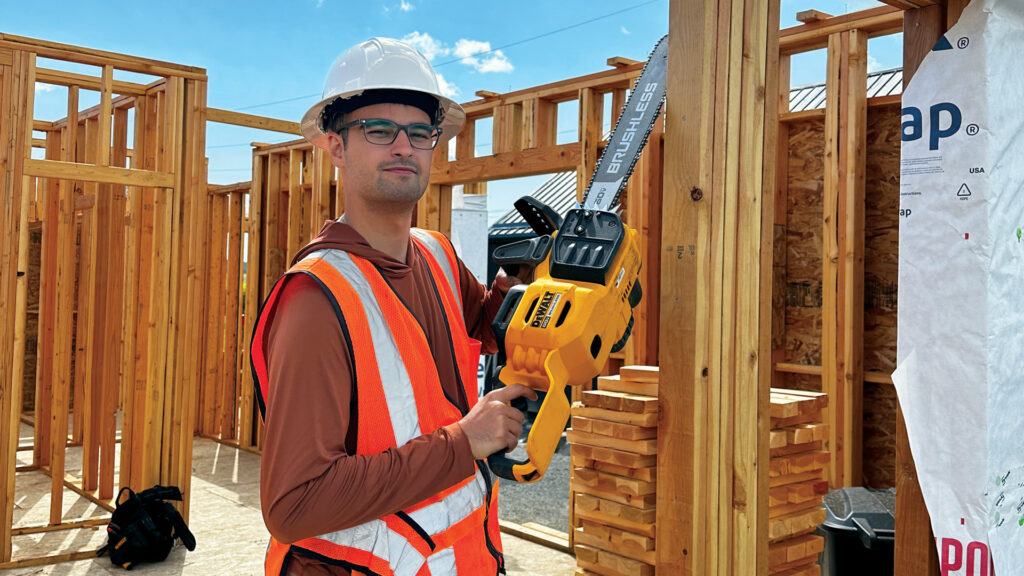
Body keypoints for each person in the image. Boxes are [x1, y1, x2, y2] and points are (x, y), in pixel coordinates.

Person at [249, 38, 537, 576]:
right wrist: (464, 442)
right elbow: (293, 506)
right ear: (336, 147)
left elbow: (500, 328)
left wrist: (546, 286)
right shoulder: (318, 297)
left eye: (420, 133)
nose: (404, 146)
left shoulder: (438, 254)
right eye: (379, 131)